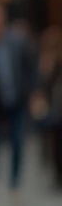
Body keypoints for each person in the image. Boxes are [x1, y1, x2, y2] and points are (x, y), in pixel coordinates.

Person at [0, 0, 37, 201]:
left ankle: (14, 184)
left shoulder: (17, 41)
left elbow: (30, 68)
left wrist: (34, 93)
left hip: (16, 99)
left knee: (18, 143)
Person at [32, 26, 62, 191]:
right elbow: (42, 85)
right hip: (54, 108)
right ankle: (56, 173)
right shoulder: (44, 61)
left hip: (57, 107)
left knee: (56, 142)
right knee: (55, 141)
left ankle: (57, 173)